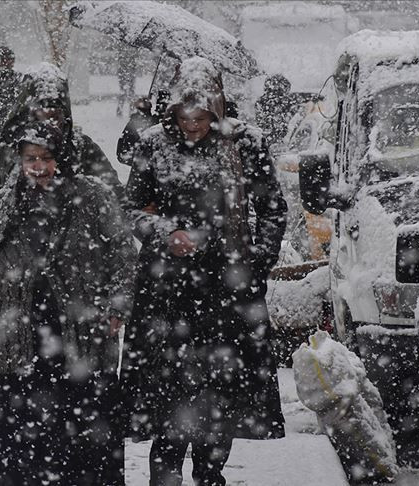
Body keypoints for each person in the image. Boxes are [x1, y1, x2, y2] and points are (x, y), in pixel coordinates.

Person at [120, 57, 288, 486]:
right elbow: (130, 208)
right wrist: (164, 231)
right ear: (172, 111)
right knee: (168, 391)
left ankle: (210, 474)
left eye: (201, 117)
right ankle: (167, 473)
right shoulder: (154, 143)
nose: (192, 125)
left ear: (217, 108)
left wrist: (256, 263)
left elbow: (272, 208)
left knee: (221, 392)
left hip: (228, 288)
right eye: (183, 116)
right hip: (166, 287)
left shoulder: (246, 143)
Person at [0, 121, 135, 485]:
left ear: (64, 158)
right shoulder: (6, 201)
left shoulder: (92, 196)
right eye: (30, 158)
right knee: (22, 434)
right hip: (22, 330)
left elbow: (122, 251)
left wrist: (118, 306)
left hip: (82, 329)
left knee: (84, 426)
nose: (38, 166)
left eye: (46, 157)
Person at [0, 62, 122, 355]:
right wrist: (0, 250)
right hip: (16, 292)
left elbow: (116, 208)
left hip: (76, 291)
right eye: (40, 111)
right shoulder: (2, 150)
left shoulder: (83, 149)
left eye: (55, 113)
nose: (48, 120)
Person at [255, 74, 298, 148]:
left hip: (267, 138)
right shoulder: (283, 101)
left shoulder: (261, 101)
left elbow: (260, 122)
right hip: (274, 138)